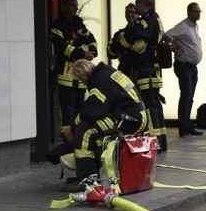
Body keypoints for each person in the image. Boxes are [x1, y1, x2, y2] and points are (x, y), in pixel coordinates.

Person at [62, 59, 148, 191]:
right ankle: (91, 174)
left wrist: (73, 128)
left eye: (80, 79)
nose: (82, 83)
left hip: (129, 119)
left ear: (82, 75)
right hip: (132, 116)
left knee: (85, 130)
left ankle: (86, 179)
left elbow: (92, 111)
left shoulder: (100, 81)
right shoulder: (105, 73)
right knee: (89, 127)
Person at [113, 0, 167, 150]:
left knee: (149, 109)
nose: (135, 8)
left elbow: (134, 34)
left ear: (143, 4)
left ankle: (154, 142)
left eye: (137, 4)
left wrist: (120, 46)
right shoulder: (156, 18)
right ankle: (161, 141)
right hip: (152, 72)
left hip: (146, 73)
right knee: (155, 106)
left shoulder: (147, 20)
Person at [49, 0, 97, 140]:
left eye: (76, 5)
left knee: (79, 108)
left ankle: (78, 136)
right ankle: (66, 138)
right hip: (66, 76)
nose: (76, 8)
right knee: (67, 109)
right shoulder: (57, 25)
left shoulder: (79, 23)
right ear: (64, 7)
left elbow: (91, 40)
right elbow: (62, 47)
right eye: (72, 5)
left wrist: (92, 51)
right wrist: (82, 52)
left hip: (80, 77)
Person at [166, 2, 204, 137]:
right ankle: (182, 126)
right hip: (184, 66)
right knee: (186, 95)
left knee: (190, 97)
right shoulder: (183, 26)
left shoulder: (194, 26)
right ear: (188, 12)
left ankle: (188, 125)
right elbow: (167, 36)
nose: (198, 13)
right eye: (195, 11)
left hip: (192, 67)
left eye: (199, 11)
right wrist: (175, 49)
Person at [108, 3, 138, 79]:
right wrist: (118, 43)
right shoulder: (119, 33)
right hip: (123, 71)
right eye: (127, 12)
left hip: (138, 73)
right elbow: (109, 52)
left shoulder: (141, 32)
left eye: (132, 12)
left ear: (138, 14)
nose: (129, 15)